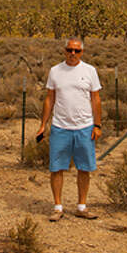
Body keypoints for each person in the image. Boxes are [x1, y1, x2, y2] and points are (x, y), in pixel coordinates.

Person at [36, 37, 102, 221]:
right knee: (57, 168)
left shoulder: (90, 71)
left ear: (82, 52)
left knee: (84, 168)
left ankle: (82, 206)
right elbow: (50, 98)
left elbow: (95, 99)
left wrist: (97, 124)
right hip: (60, 127)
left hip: (84, 127)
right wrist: (43, 124)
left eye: (77, 51)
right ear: (64, 51)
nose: (73, 54)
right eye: (69, 50)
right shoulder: (55, 71)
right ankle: (58, 207)